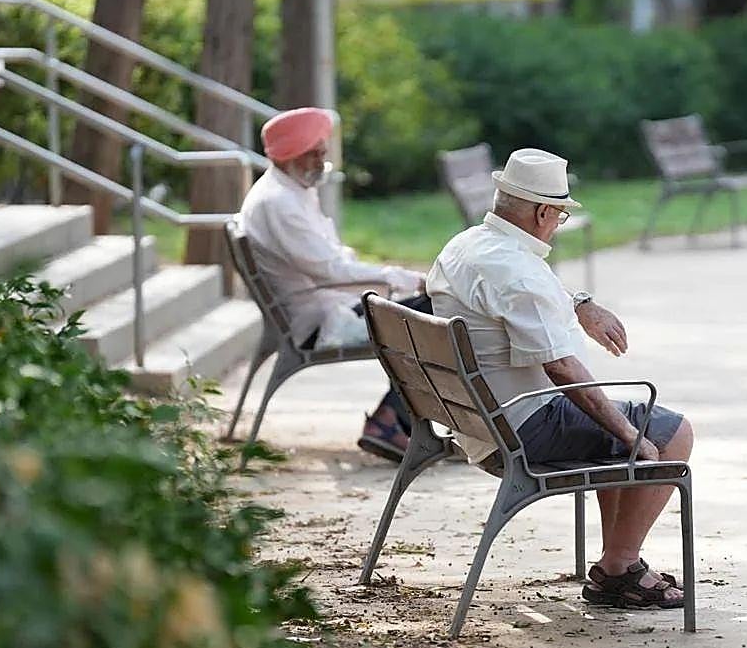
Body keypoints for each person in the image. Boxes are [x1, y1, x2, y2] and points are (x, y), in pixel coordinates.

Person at [426, 148, 694, 609]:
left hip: (476, 419)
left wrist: (580, 303)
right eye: (560, 216)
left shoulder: (468, 245)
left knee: (620, 428)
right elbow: (562, 368)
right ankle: (620, 568)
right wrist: (632, 434)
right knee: (669, 433)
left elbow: (522, 296)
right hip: (523, 428)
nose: (559, 225)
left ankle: (618, 566)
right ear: (543, 211)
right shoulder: (519, 273)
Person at [239, 107, 427, 462]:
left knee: (425, 313)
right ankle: (391, 421)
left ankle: (400, 420)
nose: (322, 158)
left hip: (328, 306)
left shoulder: (291, 189)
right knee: (428, 315)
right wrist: (399, 277)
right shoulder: (280, 202)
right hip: (322, 321)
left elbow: (331, 260)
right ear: (290, 155)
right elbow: (329, 270)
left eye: (322, 149)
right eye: (314, 151)